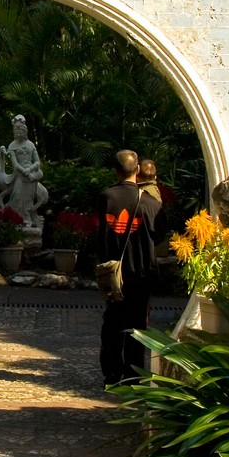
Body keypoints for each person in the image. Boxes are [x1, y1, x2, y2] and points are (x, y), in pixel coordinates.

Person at [99, 148, 161, 385]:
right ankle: (134, 374)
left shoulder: (106, 198)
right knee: (137, 325)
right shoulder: (152, 204)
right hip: (142, 273)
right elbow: (160, 235)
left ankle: (112, 373)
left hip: (113, 272)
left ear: (115, 172)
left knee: (113, 322)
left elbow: (101, 234)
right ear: (137, 170)